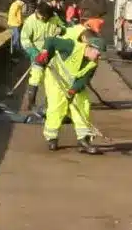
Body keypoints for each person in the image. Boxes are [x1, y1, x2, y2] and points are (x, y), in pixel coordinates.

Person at [40, 25, 105, 154]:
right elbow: (50, 41)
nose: (99, 56)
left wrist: (73, 90)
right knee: (57, 107)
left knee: (83, 104)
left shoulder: (94, 63)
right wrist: (45, 52)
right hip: (56, 80)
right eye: (97, 53)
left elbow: (84, 79)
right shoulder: (71, 46)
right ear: (89, 48)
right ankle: (52, 138)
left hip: (72, 85)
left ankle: (83, 139)